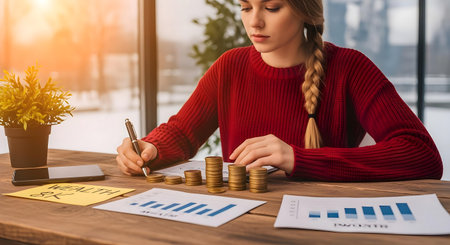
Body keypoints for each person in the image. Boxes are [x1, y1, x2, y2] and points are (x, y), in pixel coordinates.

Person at [116, 0, 443, 181]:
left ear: (305, 11)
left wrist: (297, 158)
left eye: (271, 7)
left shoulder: (350, 68)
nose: (254, 22)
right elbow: (183, 133)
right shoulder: (230, 66)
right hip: (238, 226)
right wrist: (151, 148)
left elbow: (421, 154)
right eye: (246, 7)